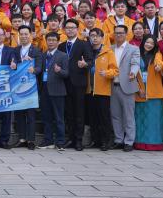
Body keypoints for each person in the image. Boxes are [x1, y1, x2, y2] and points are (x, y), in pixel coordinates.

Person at [60, 19, 94, 151]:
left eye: (72, 27)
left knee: (79, 112)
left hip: (79, 83)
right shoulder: (61, 46)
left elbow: (90, 60)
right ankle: (70, 138)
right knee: (68, 112)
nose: (70, 30)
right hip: (64, 82)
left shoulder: (84, 44)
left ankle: (79, 140)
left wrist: (85, 64)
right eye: (67, 28)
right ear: (64, 30)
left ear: (77, 29)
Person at [134, 34, 163, 151]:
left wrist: (159, 66)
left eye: (152, 43)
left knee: (154, 119)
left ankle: (155, 143)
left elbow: (160, 63)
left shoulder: (157, 55)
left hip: (155, 93)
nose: (149, 45)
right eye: (147, 42)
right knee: (140, 119)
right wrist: (138, 88)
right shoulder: (136, 54)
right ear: (143, 42)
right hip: (140, 91)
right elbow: (132, 72)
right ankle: (140, 142)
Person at [109, 24, 141, 151]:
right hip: (112, 85)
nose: (118, 35)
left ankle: (129, 141)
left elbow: (135, 63)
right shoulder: (110, 48)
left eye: (121, 33)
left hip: (127, 84)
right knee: (115, 115)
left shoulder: (133, 49)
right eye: (116, 33)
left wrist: (133, 72)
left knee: (128, 115)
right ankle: (119, 140)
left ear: (126, 34)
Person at [87, 27, 118, 151]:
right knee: (92, 117)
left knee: (104, 117)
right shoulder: (87, 51)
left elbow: (115, 70)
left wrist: (107, 73)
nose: (94, 38)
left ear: (102, 37)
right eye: (92, 36)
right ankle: (96, 140)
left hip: (103, 89)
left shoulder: (108, 52)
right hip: (89, 89)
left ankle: (106, 141)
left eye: (97, 36)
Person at [38, 32, 70, 150]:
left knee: (59, 117)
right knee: (46, 117)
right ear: (46, 41)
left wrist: (59, 70)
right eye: (49, 40)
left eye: (53, 40)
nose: (51, 42)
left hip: (57, 90)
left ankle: (60, 141)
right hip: (44, 89)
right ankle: (48, 140)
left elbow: (67, 74)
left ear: (58, 42)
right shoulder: (42, 55)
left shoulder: (63, 56)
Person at [14, 24, 42, 149]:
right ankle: (22, 139)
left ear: (30, 35)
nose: (24, 36)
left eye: (26, 34)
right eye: (21, 34)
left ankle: (31, 140)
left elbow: (39, 68)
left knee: (31, 115)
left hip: (31, 87)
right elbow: (12, 65)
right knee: (19, 114)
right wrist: (17, 64)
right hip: (18, 87)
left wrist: (33, 69)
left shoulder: (36, 50)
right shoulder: (15, 50)